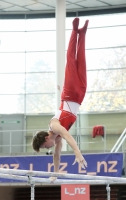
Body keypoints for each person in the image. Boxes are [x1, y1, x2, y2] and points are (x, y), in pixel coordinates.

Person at [32, 18, 89, 178]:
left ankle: (74, 31)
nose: (48, 148)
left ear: (46, 137)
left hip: (70, 93)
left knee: (71, 61)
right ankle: (83, 33)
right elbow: (56, 156)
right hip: (79, 96)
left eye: (45, 146)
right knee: (82, 61)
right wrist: (55, 174)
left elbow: (68, 135)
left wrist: (77, 153)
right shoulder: (56, 140)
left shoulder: (54, 126)